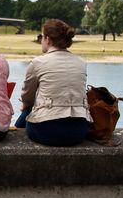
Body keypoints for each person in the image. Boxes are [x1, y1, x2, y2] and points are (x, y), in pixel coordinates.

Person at [17, 18, 92, 146]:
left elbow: (27, 97)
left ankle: (14, 134)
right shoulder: (81, 63)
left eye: (41, 36)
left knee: (28, 108)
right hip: (78, 130)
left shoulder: (37, 63)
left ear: (48, 39)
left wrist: (26, 105)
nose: (40, 40)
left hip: (46, 130)